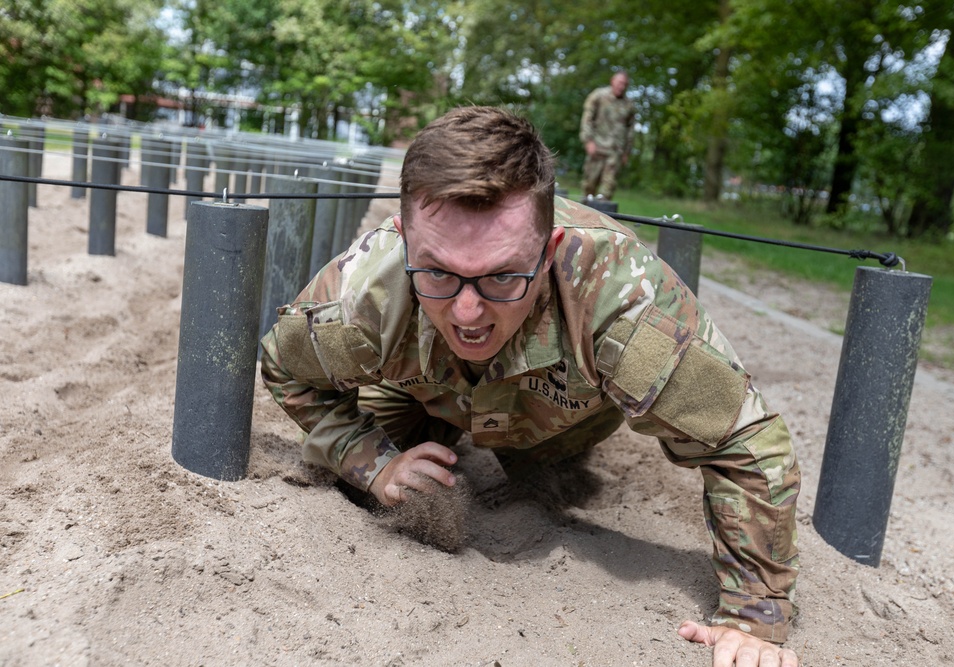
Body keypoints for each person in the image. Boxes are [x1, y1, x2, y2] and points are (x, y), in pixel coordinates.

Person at [260, 106, 800, 667]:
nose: (468, 311)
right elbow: (283, 366)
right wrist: (372, 462)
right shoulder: (366, 295)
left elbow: (747, 443)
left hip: (557, 426)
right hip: (417, 395)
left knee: (552, 453)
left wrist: (753, 614)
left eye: (501, 275)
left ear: (549, 252)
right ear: (403, 238)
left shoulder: (617, 302)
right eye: (438, 272)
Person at [579, 70, 636, 199]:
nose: (622, 87)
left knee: (608, 188)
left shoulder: (629, 105)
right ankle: (583, 215)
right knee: (589, 185)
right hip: (597, 146)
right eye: (620, 83)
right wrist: (588, 141)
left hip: (615, 151)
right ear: (612, 81)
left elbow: (630, 130)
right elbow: (587, 119)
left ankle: (602, 216)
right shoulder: (598, 96)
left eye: (625, 84)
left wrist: (627, 151)